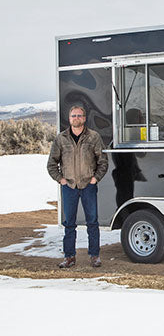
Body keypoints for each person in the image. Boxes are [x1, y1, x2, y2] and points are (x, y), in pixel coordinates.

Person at [47, 105, 108, 268]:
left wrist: (95, 178)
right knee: (69, 223)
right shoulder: (61, 139)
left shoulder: (93, 137)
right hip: (69, 186)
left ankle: (94, 256)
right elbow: (51, 164)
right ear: (69, 118)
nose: (76, 118)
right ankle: (69, 257)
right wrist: (61, 180)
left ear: (85, 118)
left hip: (88, 185)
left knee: (92, 222)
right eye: (73, 116)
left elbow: (103, 162)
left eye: (79, 116)